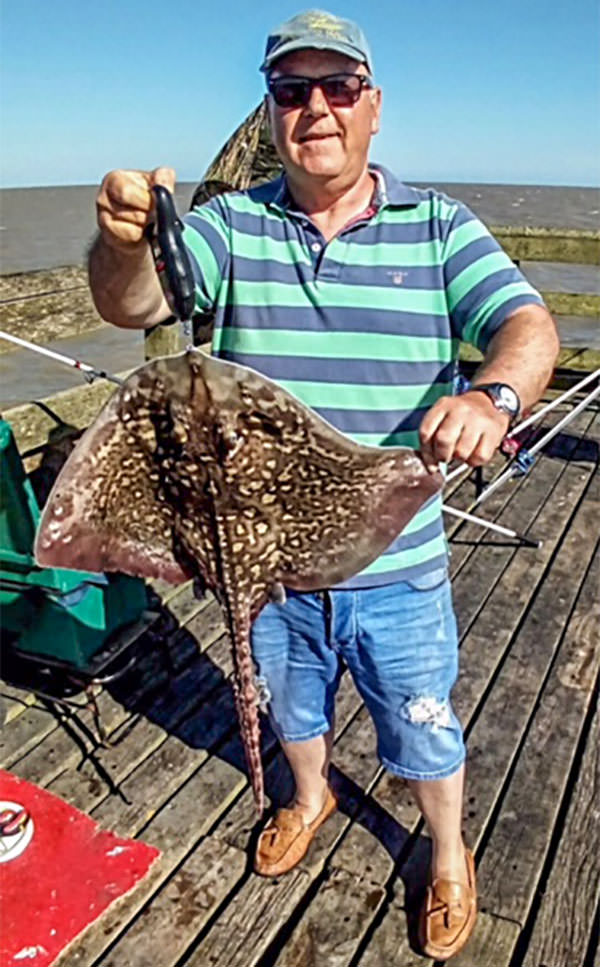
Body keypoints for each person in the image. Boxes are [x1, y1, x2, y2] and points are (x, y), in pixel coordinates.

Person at [88, 10, 559, 959]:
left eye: (338, 88)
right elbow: (136, 302)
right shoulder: (229, 224)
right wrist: (129, 239)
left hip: (400, 560)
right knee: (290, 710)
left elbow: (529, 325)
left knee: (423, 723)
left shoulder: (437, 227)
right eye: (292, 91)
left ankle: (449, 851)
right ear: (271, 116)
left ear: (373, 107)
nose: (317, 108)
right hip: (272, 567)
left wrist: (494, 393)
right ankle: (305, 798)